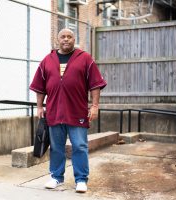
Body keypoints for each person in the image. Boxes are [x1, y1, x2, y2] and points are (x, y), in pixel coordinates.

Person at [29, 28, 107, 193]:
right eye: (63, 37)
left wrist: (94, 106)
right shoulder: (47, 60)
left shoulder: (85, 58)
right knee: (56, 147)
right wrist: (39, 106)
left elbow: (95, 85)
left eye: (69, 36)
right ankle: (56, 177)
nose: (66, 39)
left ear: (74, 39)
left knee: (79, 146)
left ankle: (81, 180)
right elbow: (40, 87)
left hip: (77, 112)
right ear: (58, 40)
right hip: (54, 112)